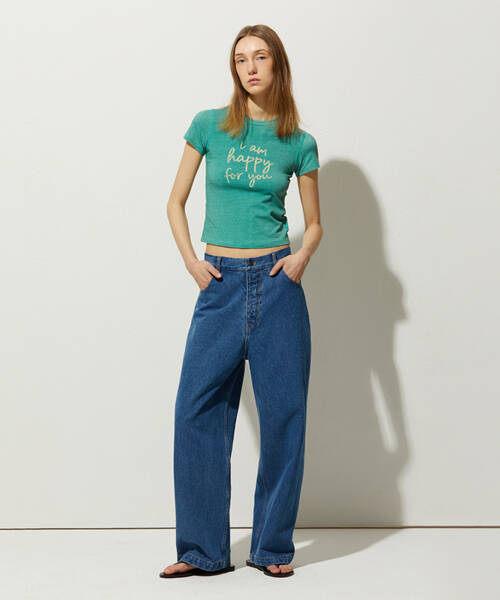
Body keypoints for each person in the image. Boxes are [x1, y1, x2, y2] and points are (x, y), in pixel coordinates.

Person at [160, 24, 321, 579]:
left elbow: (315, 224)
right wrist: (192, 263)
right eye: (240, 59)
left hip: (277, 287)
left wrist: (301, 258)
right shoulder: (209, 126)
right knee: (196, 411)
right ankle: (201, 551)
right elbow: (175, 201)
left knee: (284, 417)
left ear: (278, 65)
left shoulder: (298, 141)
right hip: (220, 285)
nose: (250, 67)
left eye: (260, 57)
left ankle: (271, 547)